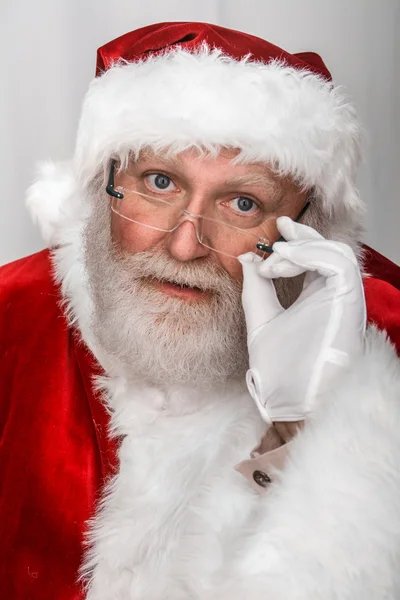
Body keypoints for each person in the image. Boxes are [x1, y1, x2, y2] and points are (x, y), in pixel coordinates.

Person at [1, 21, 400, 600]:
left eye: (243, 202)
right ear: (103, 184)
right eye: (159, 182)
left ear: (307, 225)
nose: (185, 246)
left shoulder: (387, 337)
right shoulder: (12, 313)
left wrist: (309, 426)